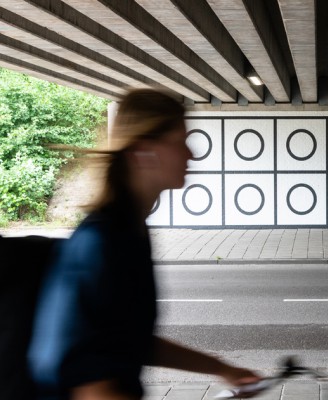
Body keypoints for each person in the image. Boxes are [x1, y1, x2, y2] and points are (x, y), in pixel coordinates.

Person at [28, 89, 259, 400]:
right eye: (179, 141)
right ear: (143, 152)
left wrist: (222, 369)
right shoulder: (101, 242)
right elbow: (90, 388)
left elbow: (130, 341)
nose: (191, 154)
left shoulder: (130, 231)